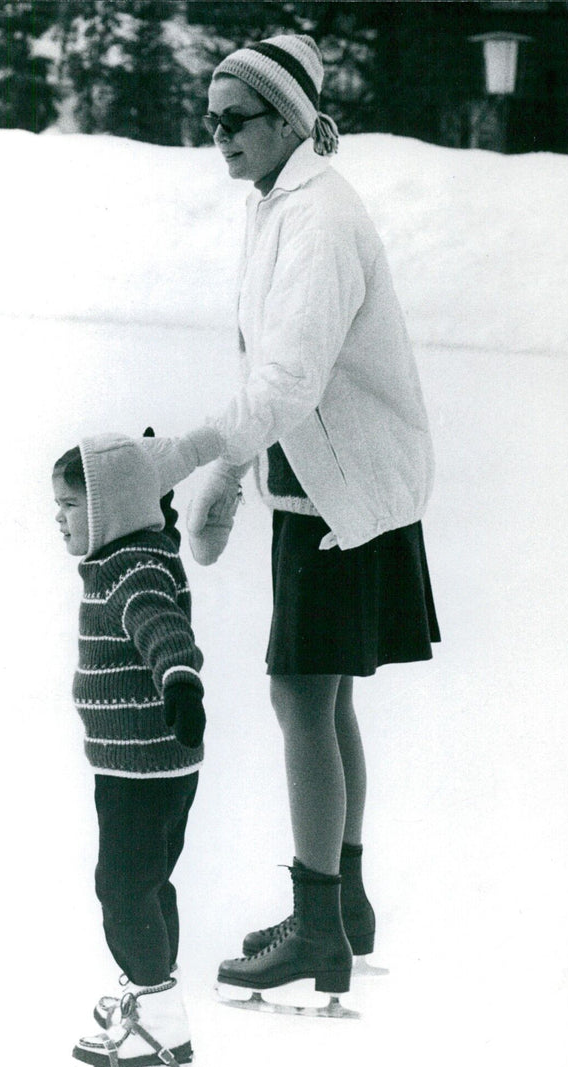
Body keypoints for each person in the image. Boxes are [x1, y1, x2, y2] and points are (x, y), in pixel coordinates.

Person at [147, 33, 440, 1004]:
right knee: (322, 696)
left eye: (233, 119)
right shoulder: (278, 204)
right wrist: (232, 476)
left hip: (338, 493)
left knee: (299, 698)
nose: (216, 135)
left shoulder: (316, 220)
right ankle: (342, 901)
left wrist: (184, 456)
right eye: (209, 120)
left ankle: (318, 923)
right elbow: (269, 372)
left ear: (283, 119)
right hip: (317, 482)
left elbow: (284, 379)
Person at [52, 430, 212, 1067]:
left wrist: (179, 678)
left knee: (120, 887)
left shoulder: (132, 567)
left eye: (70, 505)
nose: (58, 519)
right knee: (147, 881)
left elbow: (160, 624)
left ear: (110, 510)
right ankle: (155, 995)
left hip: (141, 763)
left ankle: (160, 1022)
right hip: (145, 761)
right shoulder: (140, 549)